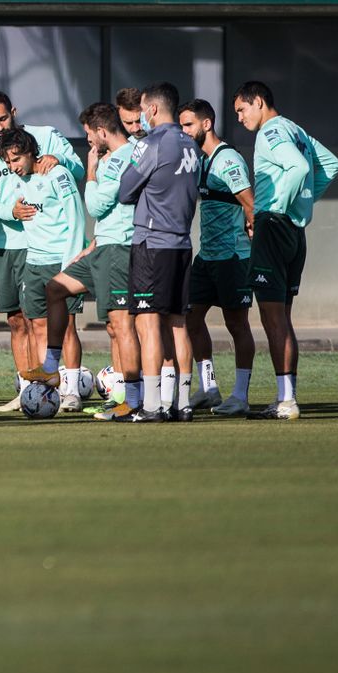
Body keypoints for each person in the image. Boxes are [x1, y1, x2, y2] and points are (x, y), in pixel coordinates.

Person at [232, 81, 338, 421]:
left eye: (241, 109)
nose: (239, 118)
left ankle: (286, 401)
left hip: (274, 226)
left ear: (258, 102)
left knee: (272, 317)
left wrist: (277, 206)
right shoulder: (296, 129)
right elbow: (331, 164)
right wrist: (302, 202)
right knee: (282, 316)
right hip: (295, 230)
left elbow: (300, 168)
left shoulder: (270, 132)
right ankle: (287, 397)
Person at [0, 92, 82, 413]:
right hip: (9, 245)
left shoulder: (44, 135)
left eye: (3, 119)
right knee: (19, 321)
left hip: (49, 247)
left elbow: (77, 170)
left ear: (14, 112)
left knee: (65, 321)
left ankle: (70, 389)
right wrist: (10, 211)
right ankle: (29, 391)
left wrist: (59, 160)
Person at [46, 103, 140, 420]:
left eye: (88, 134)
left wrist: (91, 170)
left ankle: (131, 399)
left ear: (102, 131)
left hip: (119, 249)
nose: (87, 140)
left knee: (121, 325)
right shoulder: (119, 155)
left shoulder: (121, 158)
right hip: (102, 246)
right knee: (55, 289)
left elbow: (96, 206)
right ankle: (50, 367)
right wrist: (93, 244)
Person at [115, 82, 200, 423]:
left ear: (151, 109)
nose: (140, 117)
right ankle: (182, 404)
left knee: (147, 323)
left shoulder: (152, 143)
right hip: (182, 244)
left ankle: (151, 405)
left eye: (141, 110)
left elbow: (125, 190)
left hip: (152, 244)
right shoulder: (190, 143)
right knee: (178, 325)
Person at [0, 128, 86, 409]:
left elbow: (77, 217)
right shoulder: (19, 180)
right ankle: (46, 390)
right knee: (36, 324)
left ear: (30, 152)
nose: (13, 166)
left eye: (16, 159)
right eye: (8, 162)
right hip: (33, 262)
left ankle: (72, 391)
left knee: (67, 326)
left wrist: (70, 264)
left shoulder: (57, 174)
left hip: (61, 261)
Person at [178, 100, 255, 415]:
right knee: (190, 319)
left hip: (233, 257)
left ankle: (240, 396)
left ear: (206, 124)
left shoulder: (228, 159)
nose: (184, 131)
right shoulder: (201, 160)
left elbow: (250, 203)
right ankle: (209, 388)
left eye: (188, 125)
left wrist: (255, 235)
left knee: (236, 324)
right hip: (207, 256)